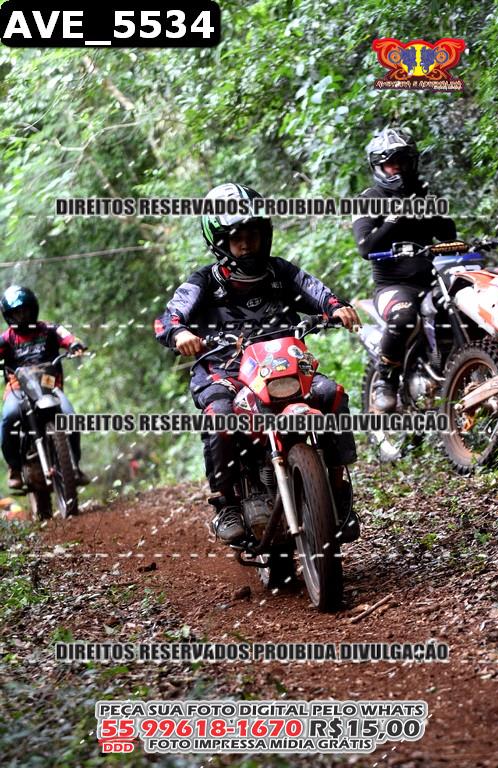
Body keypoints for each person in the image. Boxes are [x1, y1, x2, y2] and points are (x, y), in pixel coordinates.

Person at [155, 182, 361, 544]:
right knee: (220, 416)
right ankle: (226, 505)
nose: (247, 245)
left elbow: (318, 292)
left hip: (283, 365)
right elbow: (168, 318)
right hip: (225, 371)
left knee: (330, 393)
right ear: (220, 242)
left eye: (253, 235)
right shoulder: (204, 282)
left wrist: (336, 308)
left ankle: (337, 489)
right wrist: (179, 333)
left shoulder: (280, 272)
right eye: (237, 238)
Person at [352, 127, 457, 412]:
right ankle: (385, 380)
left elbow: (448, 235)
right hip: (393, 287)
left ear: (412, 163)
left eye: (402, 161)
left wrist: (428, 207)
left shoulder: (423, 194)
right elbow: (365, 247)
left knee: (462, 306)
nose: (397, 168)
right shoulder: (369, 198)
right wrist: (393, 218)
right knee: (404, 318)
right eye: (390, 163)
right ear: (378, 167)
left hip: (432, 280)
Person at [0, 285, 89, 489]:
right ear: (9, 316)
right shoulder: (6, 339)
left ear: (34, 309)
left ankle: (74, 466)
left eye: (26, 311)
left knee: (70, 416)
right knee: (9, 416)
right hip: (18, 387)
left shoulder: (50, 329)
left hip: (48, 384)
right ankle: (14, 467)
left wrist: (75, 344)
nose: (22, 316)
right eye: (17, 313)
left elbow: (68, 337)